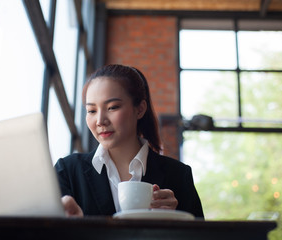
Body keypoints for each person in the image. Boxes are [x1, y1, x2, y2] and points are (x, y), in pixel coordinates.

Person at [55, 64, 204, 218]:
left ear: (139, 109)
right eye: (92, 111)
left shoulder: (178, 176)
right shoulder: (67, 171)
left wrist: (178, 220)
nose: (100, 121)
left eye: (112, 107)